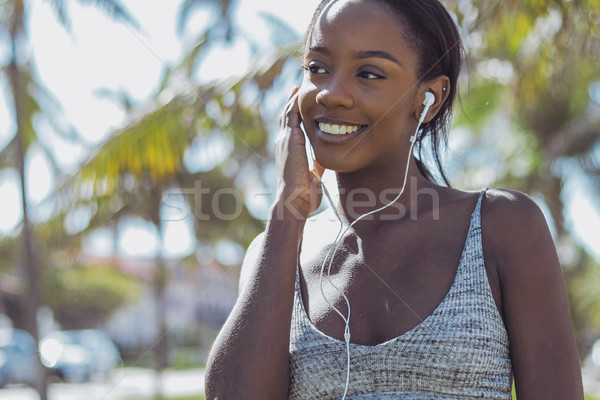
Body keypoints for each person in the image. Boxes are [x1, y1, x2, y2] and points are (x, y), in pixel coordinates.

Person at [205, 0, 585, 399]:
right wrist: (288, 212)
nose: (332, 94)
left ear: (429, 99)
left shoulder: (502, 226)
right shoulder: (275, 254)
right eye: (318, 68)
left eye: (369, 73)